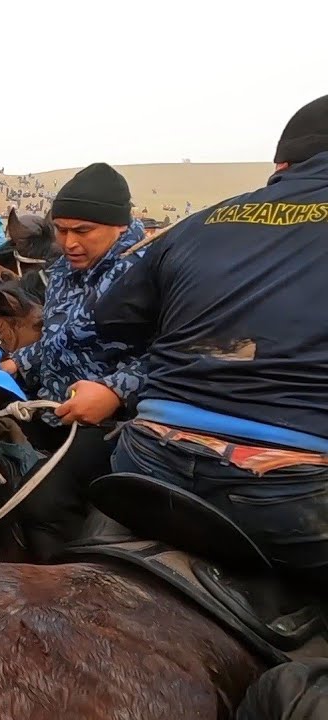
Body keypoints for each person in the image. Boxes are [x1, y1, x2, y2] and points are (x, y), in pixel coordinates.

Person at [95, 94, 328, 594]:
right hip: (296, 494)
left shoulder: (199, 221)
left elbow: (112, 321)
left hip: (147, 463)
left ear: (282, 164)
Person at [0, 163, 147, 561]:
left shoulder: (151, 271)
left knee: (43, 502)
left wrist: (116, 391)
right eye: (61, 230)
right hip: (52, 410)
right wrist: (17, 363)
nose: (68, 242)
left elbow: (174, 355)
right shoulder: (63, 269)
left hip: (114, 425)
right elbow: (58, 339)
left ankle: (59, 589)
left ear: (118, 225)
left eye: (82, 231)